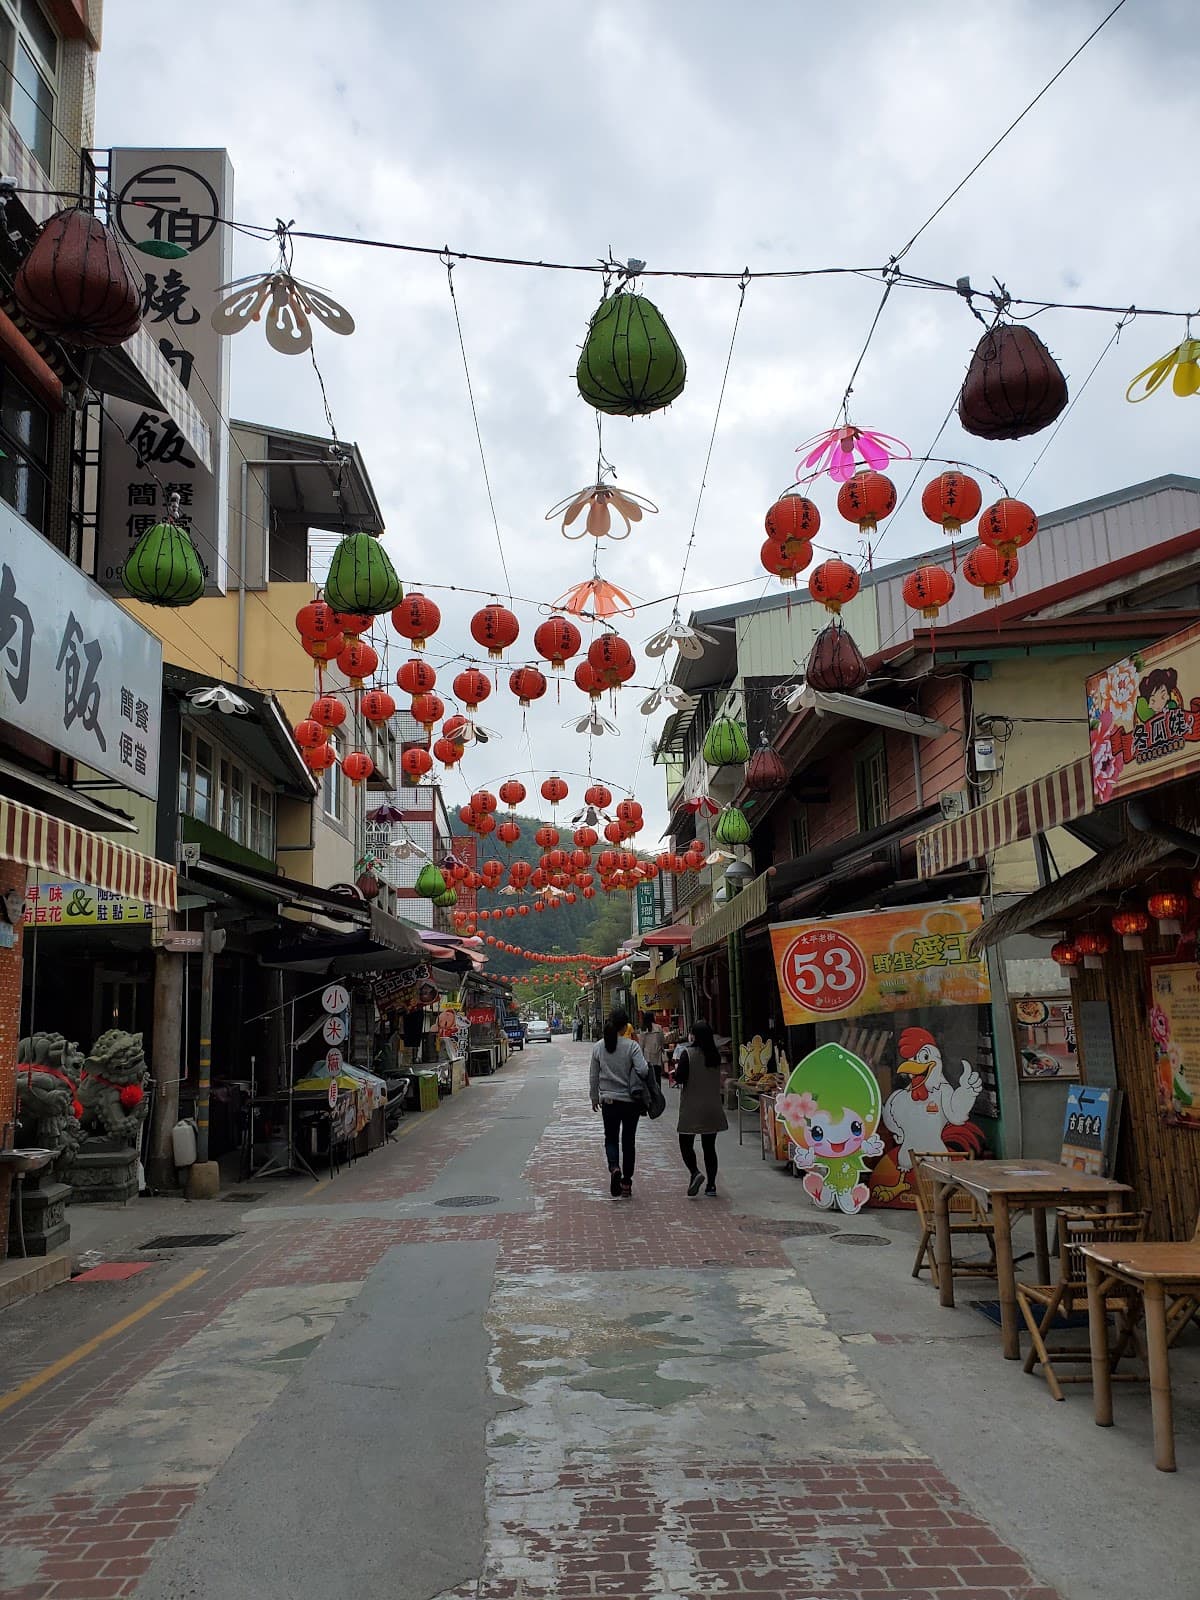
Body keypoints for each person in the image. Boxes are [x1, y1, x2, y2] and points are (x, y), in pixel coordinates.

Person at [589, 1007, 651, 1199]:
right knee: (628, 1141)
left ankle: (614, 1167)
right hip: (630, 1101)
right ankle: (626, 1183)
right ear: (625, 1027)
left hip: (609, 1101)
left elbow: (593, 1075)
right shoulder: (631, 1046)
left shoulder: (599, 1046)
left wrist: (594, 1097)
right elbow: (643, 1070)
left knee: (611, 1138)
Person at [675, 1018, 728, 1197]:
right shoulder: (715, 1055)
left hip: (692, 1107)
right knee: (709, 1147)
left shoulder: (687, 1054)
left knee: (685, 1143)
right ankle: (711, 1186)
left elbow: (680, 1078)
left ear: (694, 1035)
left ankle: (695, 1172)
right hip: (712, 1107)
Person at [638, 1012, 667, 1088]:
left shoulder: (643, 1029)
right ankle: (658, 1094)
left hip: (647, 1057)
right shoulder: (659, 1028)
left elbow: (641, 1045)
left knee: (649, 1079)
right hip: (657, 1056)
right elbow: (662, 1041)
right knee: (657, 1078)